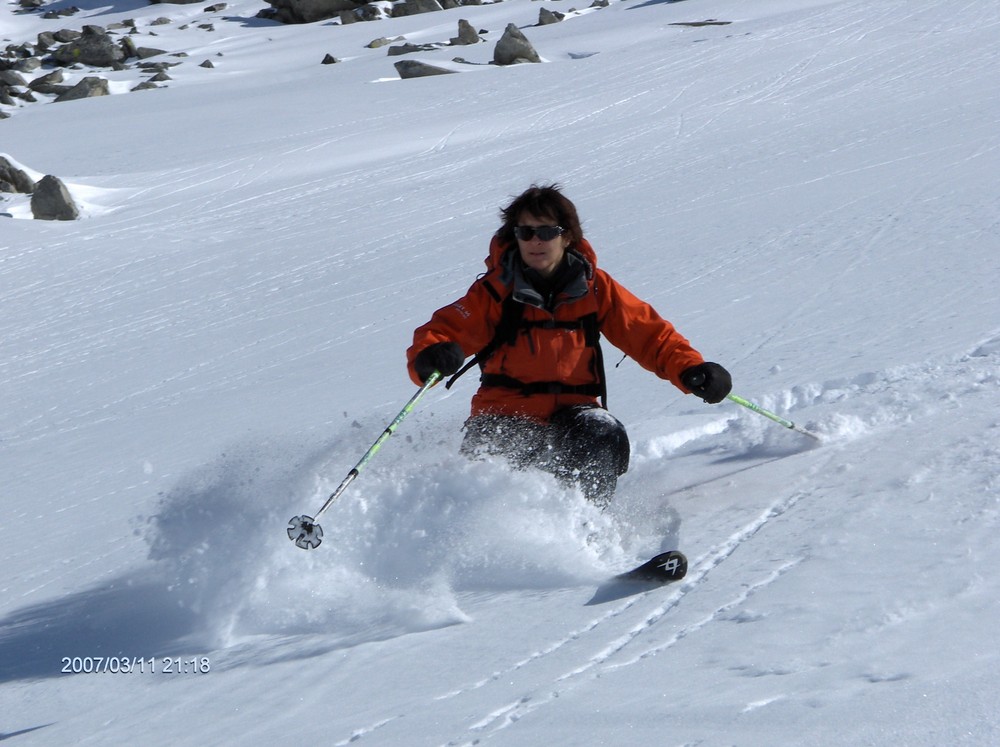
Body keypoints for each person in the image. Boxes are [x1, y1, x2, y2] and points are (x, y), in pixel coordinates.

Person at [407, 184, 732, 507]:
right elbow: (448, 327)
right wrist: (432, 353)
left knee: (602, 436)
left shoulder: (594, 287)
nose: (536, 241)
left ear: (566, 236)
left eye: (547, 231)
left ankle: (587, 533)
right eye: (525, 232)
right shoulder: (495, 291)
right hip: (504, 415)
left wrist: (690, 368)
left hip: (576, 417)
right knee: (495, 474)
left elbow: (647, 333)